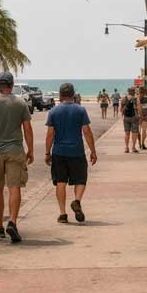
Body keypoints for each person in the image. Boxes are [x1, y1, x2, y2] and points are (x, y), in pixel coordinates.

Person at [0, 72, 33, 243]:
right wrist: (30, 150)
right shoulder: (20, 103)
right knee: (14, 187)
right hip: (15, 150)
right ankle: (13, 222)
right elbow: (27, 129)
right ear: (11, 84)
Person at [45, 82, 97, 223]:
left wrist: (47, 152)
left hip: (59, 152)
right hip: (77, 151)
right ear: (73, 94)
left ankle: (63, 214)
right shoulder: (80, 110)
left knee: (60, 182)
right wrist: (93, 151)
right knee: (80, 179)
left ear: (60, 95)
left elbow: (50, 134)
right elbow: (87, 131)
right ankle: (77, 201)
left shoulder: (53, 112)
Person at [120, 87, 140, 153]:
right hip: (134, 117)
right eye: (134, 91)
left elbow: (121, 109)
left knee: (127, 133)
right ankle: (133, 147)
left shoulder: (124, 98)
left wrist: (123, 115)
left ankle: (126, 147)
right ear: (133, 92)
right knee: (134, 133)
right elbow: (139, 108)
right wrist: (140, 116)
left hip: (126, 117)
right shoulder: (135, 99)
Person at [136, 86, 147, 150]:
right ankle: (142, 143)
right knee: (143, 131)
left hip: (140, 116)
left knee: (140, 131)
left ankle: (140, 143)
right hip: (145, 116)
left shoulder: (137, 98)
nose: (141, 93)